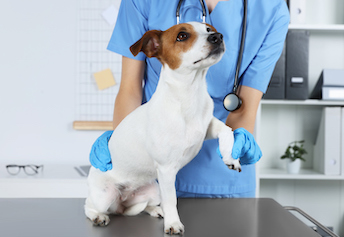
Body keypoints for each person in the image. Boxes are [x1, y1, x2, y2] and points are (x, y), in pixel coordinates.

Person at [90, 0, 290, 198]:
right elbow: (130, 88)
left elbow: (244, 106)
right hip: (151, 175)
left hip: (224, 178)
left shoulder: (272, 9)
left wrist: (235, 142)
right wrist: (120, 147)